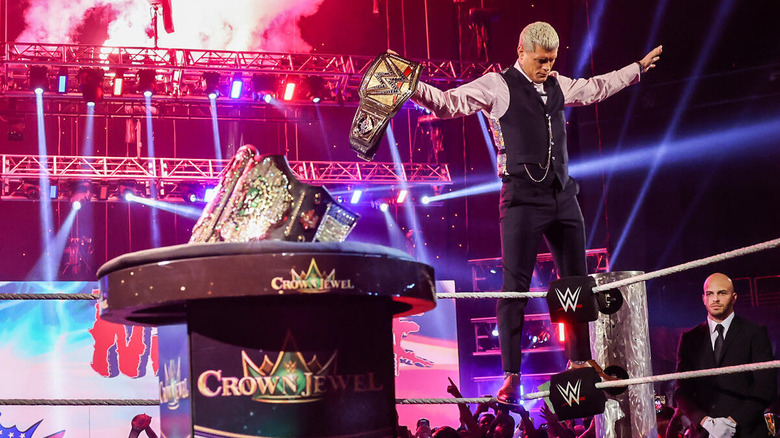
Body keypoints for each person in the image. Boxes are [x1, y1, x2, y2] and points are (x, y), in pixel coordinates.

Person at [411, 21, 662, 403]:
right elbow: (449, 103)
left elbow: (597, 87)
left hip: (563, 196)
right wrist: (411, 87)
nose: (546, 67)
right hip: (521, 197)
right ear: (521, 51)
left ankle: (580, 361)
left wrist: (637, 69)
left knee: (575, 282)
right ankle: (512, 375)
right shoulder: (496, 85)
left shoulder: (559, 83)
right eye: (541, 60)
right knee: (515, 287)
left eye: (551, 61)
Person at [674, 273, 777, 438]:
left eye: (722, 293)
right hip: (703, 433)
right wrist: (705, 421)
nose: (715, 299)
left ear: (734, 297)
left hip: (747, 432)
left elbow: (767, 387)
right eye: (710, 293)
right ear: (703, 298)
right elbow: (681, 390)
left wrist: (732, 422)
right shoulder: (689, 338)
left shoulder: (754, 333)